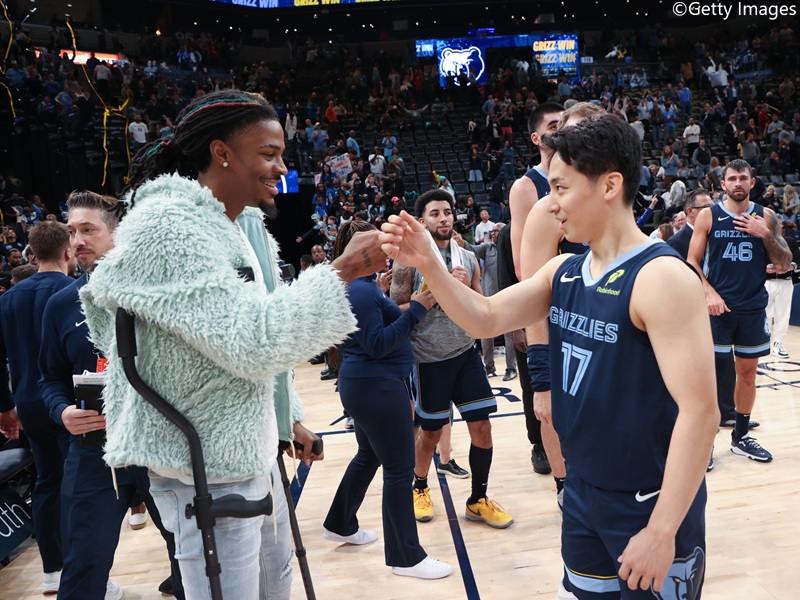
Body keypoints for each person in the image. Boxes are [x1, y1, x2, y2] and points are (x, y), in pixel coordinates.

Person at [380, 114, 718, 600]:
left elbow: (701, 413)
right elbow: (485, 317)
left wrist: (663, 529)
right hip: (583, 492)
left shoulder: (661, 277)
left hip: (648, 502)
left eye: (560, 187)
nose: (551, 203)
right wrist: (428, 261)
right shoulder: (565, 269)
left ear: (610, 185)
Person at [79, 90, 386, 599]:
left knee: (275, 584)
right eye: (269, 153)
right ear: (221, 152)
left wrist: (286, 418)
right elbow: (253, 340)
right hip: (206, 464)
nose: (281, 167)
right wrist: (342, 271)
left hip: (248, 448)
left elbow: (257, 330)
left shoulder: (239, 224)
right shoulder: (169, 228)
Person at [39, 191, 180, 600]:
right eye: (72, 231)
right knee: (83, 563)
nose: (78, 240)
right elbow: (49, 378)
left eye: (88, 230)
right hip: (94, 451)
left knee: (188, 554)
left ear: (117, 233)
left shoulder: (156, 292)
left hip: (160, 445)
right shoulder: (60, 305)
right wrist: (62, 411)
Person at [322, 220, 451, 580]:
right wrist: (418, 308)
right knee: (399, 469)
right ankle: (405, 557)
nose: (390, 251)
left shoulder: (365, 288)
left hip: (366, 385)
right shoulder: (361, 291)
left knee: (369, 456)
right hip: (376, 387)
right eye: (383, 246)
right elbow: (377, 344)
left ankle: (340, 523)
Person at [389, 190, 513, 530]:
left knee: (482, 427)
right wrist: (423, 301)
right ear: (422, 221)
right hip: (428, 359)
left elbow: (483, 305)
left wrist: (464, 289)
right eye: (435, 213)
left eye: (447, 212)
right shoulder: (408, 261)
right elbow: (392, 311)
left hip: (465, 353)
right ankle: (419, 487)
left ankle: (478, 500)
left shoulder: (468, 257)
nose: (443, 218)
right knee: (430, 434)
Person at [518, 102, 604, 497]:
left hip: (613, 336)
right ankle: (564, 487)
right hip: (565, 334)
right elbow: (530, 289)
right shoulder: (544, 205)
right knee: (556, 418)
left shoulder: (614, 195)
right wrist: (542, 377)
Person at [688, 159, 792, 463]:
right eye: (732, 178)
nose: (737, 183)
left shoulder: (767, 216)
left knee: (747, 375)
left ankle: (741, 437)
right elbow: (691, 261)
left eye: (742, 178)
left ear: (751, 182)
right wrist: (708, 292)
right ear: (723, 184)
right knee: (710, 379)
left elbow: (784, 261)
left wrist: (764, 233)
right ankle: (704, 443)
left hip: (752, 309)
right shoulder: (708, 215)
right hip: (716, 311)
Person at [0, 221, 75, 596]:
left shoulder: (7, 299)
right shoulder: (71, 289)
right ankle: (81, 572)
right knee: (78, 484)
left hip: (28, 402)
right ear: (68, 251)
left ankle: (52, 571)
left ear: (31, 253)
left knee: (47, 481)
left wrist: (5, 408)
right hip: (68, 401)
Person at [765, 219, 800, 359]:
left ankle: (778, 342)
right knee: (766, 313)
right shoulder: (762, 241)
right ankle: (764, 341)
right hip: (767, 282)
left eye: (780, 224)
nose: (779, 225)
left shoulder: (790, 241)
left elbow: (798, 260)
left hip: (785, 281)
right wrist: (765, 267)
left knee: (783, 314)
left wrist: (790, 266)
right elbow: (756, 261)